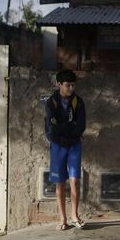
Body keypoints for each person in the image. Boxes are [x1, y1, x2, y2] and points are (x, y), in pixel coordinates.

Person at [45, 69, 87, 230]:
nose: (71, 88)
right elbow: (51, 128)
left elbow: (80, 126)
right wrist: (68, 126)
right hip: (57, 146)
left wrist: (63, 127)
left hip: (74, 145)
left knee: (75, 181)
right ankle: (63, 219)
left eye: (73, 85)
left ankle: (75, 216)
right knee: (59, 183)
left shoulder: (78, 102)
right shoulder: (51, 102)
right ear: (59, 84)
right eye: (67, 85)